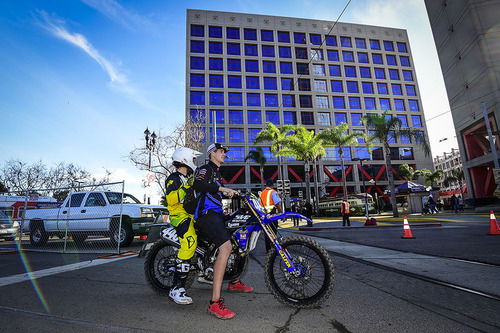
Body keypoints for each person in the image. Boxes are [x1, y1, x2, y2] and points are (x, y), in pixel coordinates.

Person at [193, 143, 253, 320]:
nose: (224, 154)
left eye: (225, 152)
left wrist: (230, 193)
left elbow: (213, 192)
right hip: (206, 214)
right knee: (226, 248)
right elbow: (198, 185)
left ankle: (234, 281)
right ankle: (214, 303)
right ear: (212, 153)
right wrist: (222, 189)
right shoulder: (205, 169)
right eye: (221, 152)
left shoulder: (217, 173)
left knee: (236, 240)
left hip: (217, 213)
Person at [165, 147, 201, 305]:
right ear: (185, 159)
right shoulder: (174, 178)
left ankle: (205, 272)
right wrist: (187, 187)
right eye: (193, 159)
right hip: (179, 216)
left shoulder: (190, 177)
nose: (195, 162)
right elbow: (171, 199)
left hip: (193, 215)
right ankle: (176, 288)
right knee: (190, 241)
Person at [259, 179, 283, 252]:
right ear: (273, 185)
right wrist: (281, 214)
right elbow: (277, 205)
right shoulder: (273, 192)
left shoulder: (262, 193)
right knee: (273, 233)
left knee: (267, 233)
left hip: (264, 216)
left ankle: (268, 249)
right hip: (272, 216)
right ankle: (273, 249)